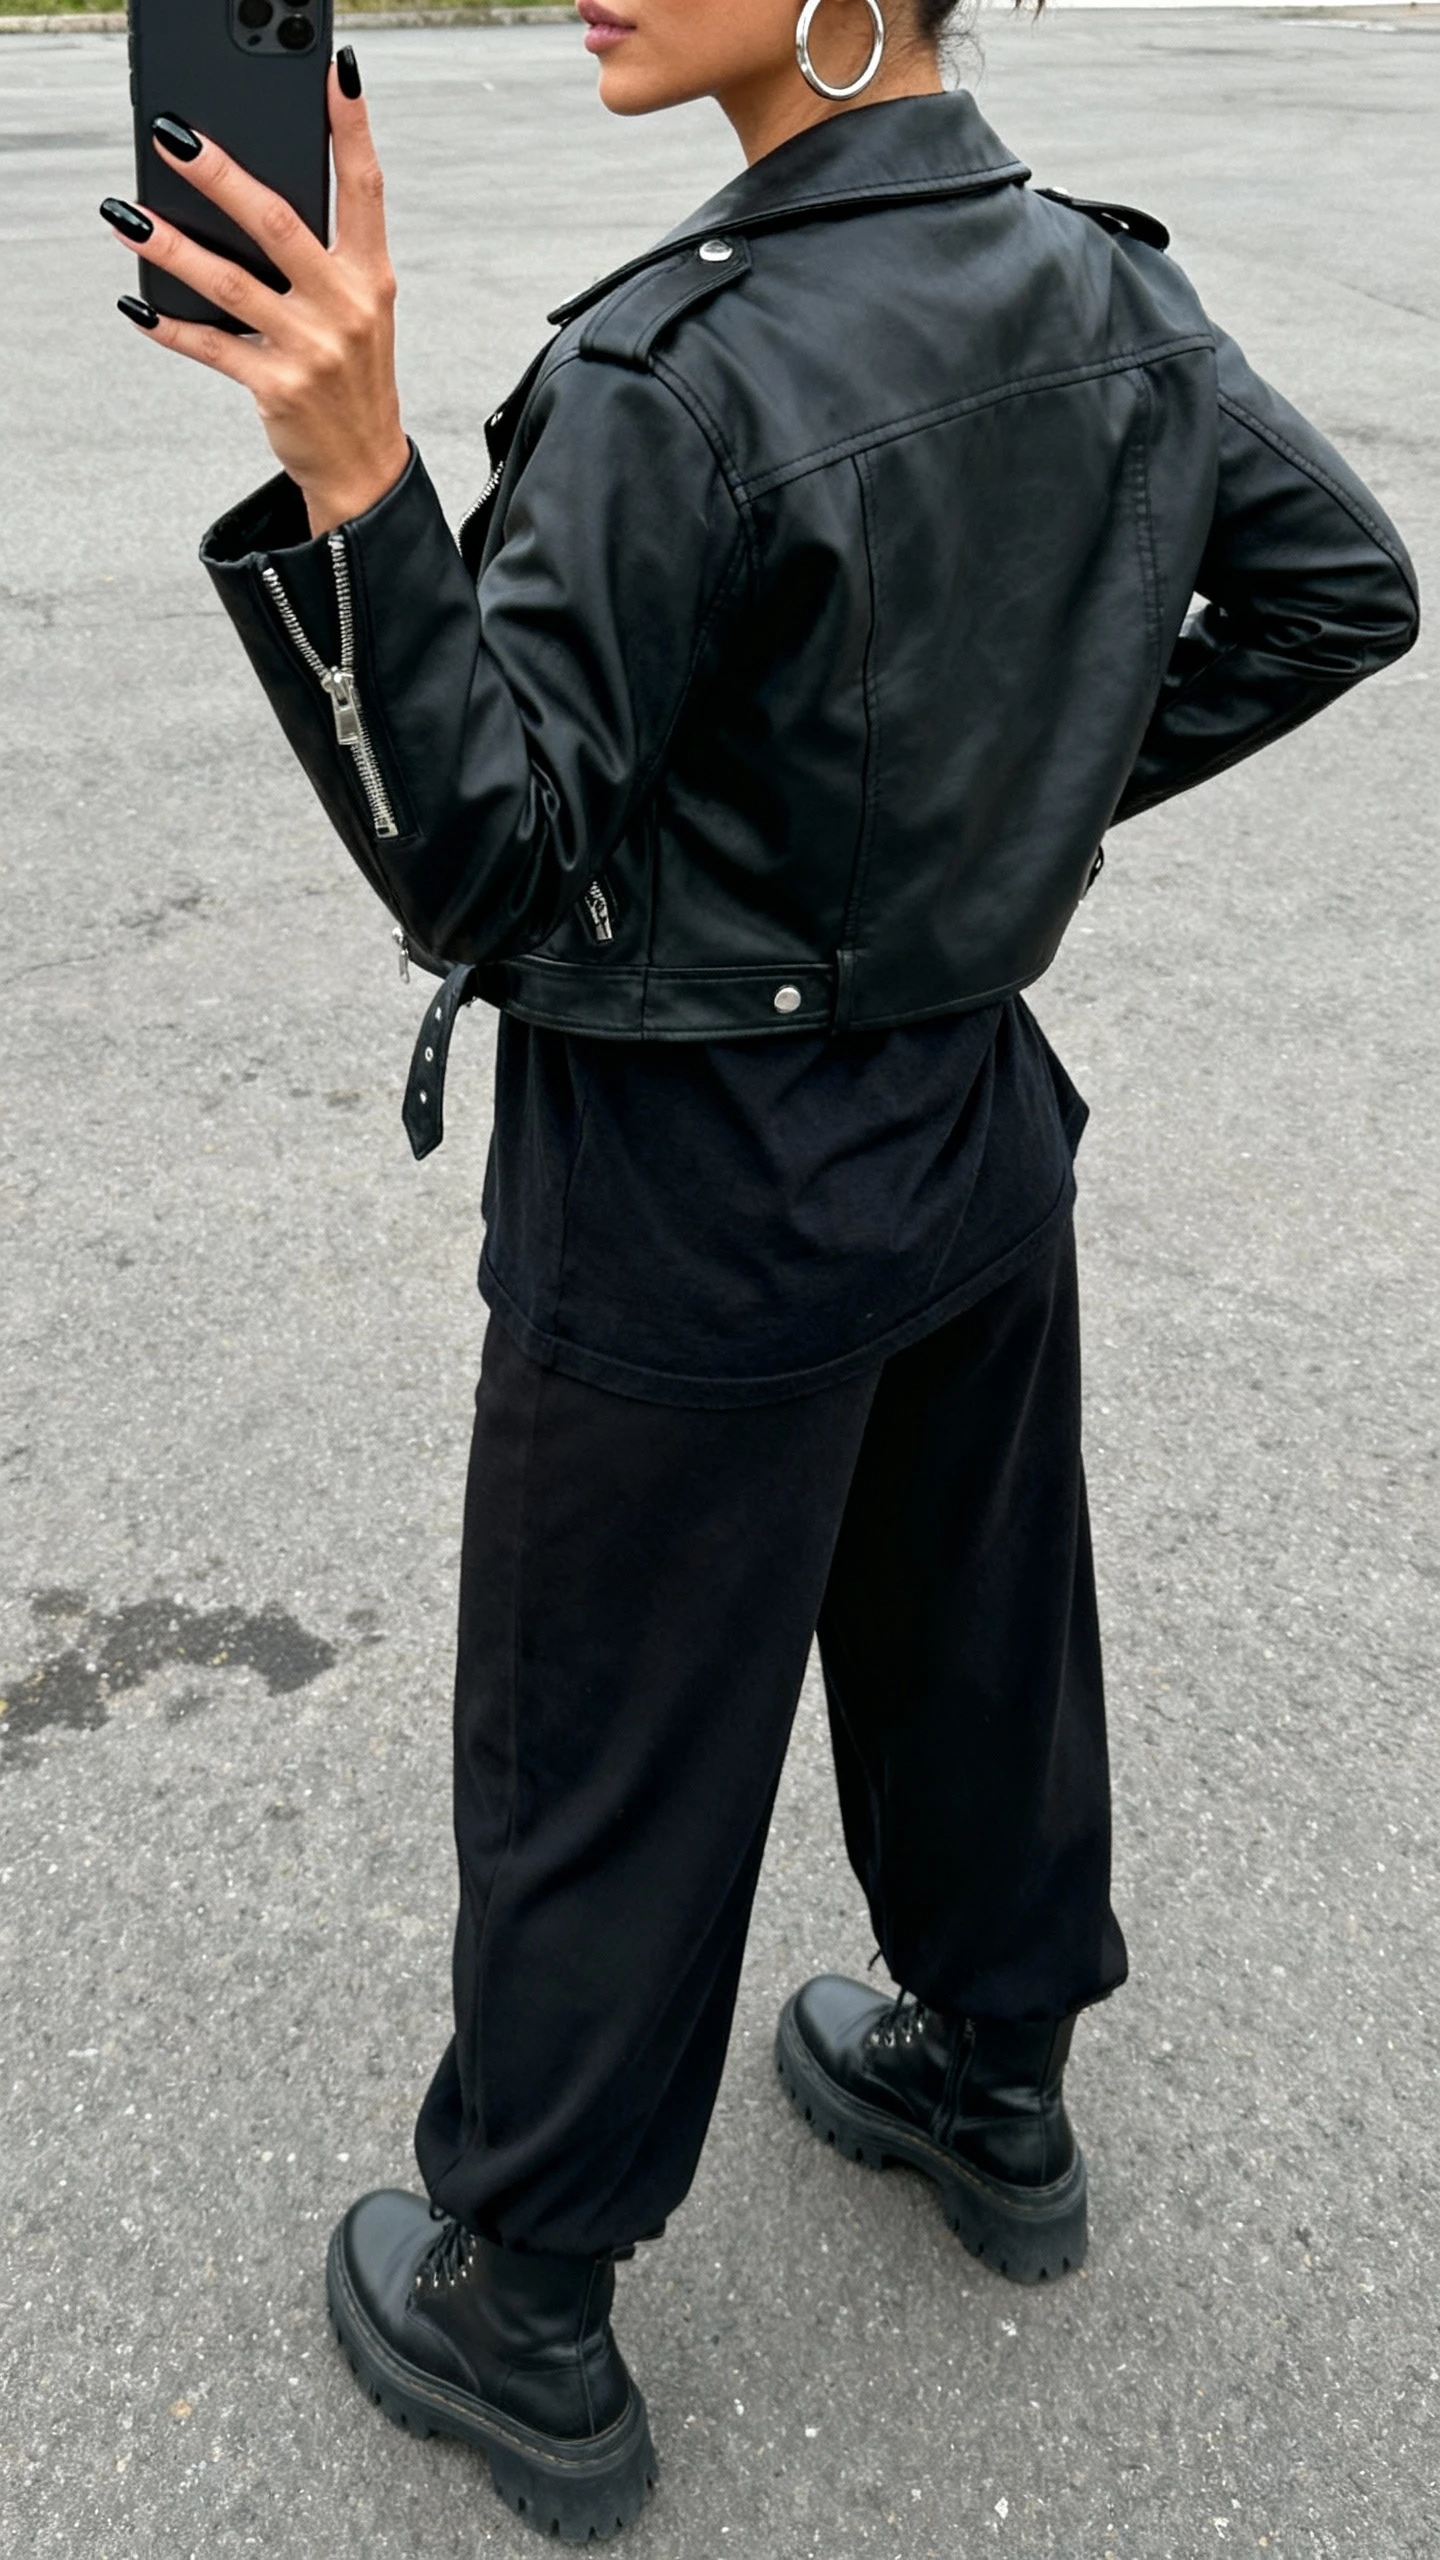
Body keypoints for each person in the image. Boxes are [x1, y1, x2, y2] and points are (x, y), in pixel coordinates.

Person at [101, 0, 1418, 2539]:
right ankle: (997, 2085)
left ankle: (528, 2301)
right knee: (973, 1623)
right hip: (969, 1118)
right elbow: (1336, 586)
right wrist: (1008, 809)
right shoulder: (1102, 284)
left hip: (699, 1176)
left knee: (613, 1723)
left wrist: (357, 472)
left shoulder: (669, 376)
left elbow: (484, 870)